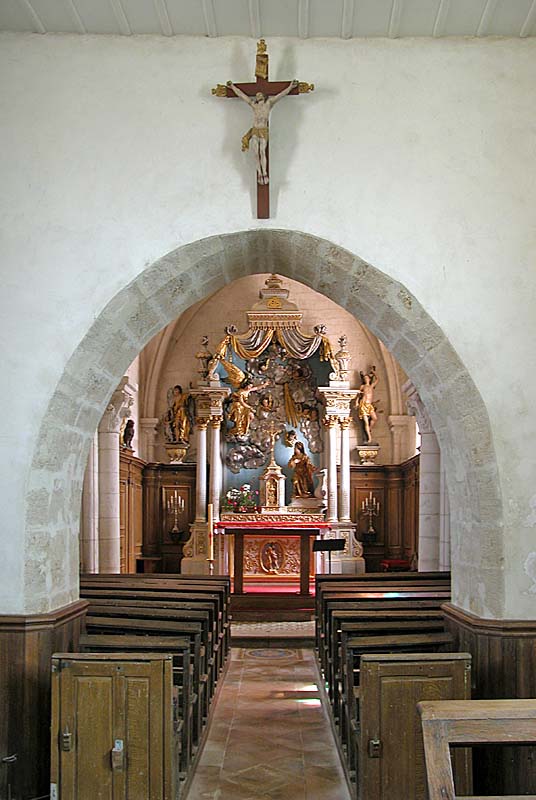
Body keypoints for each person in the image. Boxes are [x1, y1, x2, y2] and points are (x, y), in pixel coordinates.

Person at [228, 79, 299, 185]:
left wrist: (290, 87)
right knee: (256, 153)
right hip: (255, 130)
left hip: (263, 130)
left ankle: (264, 173)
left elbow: (280, 95)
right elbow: (242, 96)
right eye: (256, 95)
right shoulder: (254, 105)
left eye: (259, 94)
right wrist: (233, 87)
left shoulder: (269, 104)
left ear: (264, 96)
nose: (257, 96)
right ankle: (259, 173)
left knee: (262, 151)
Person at [356, 367, 379, 444]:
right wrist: (356, 402)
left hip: (369, 405)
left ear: (369, 379)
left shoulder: (371, 386)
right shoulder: (362, 387)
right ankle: (369, 438)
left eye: (367, 378)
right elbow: (358, 395)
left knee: (375, 418)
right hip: (363, 404)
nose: (366, 379)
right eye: (365, 378)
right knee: (365, 422)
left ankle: (369, 429)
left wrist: (373, 372)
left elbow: (377, 380)